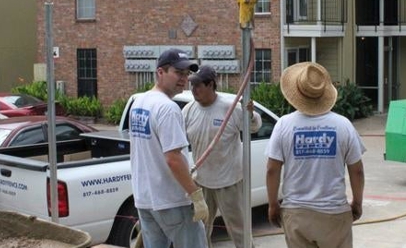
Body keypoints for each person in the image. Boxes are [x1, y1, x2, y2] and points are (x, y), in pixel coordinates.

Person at [265, 62, 366, 248]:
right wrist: (357, 203)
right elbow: (357, 171)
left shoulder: (283, 125)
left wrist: (273, 205)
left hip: (296, 213)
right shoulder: (343, 125)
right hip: (334, 214)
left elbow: (272, 170)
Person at [129, 48, 208, 248]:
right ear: (160, 72)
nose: (183, 79)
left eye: (186, 74)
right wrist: (195, 195)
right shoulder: (168, 108)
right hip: (172, 201)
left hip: (145, 200)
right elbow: (173, 158)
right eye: (178, 73)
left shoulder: (139, 102)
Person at [182, 64, 262, 248]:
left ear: (211, 85)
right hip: (201, 182)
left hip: (229, 182)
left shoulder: (230, 108)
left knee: (240, 231)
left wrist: (251, 115)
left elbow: (254, 126)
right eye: (191, 85)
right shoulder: (188, 111)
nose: (193, 90)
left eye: (198, 85)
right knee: (200, 232)